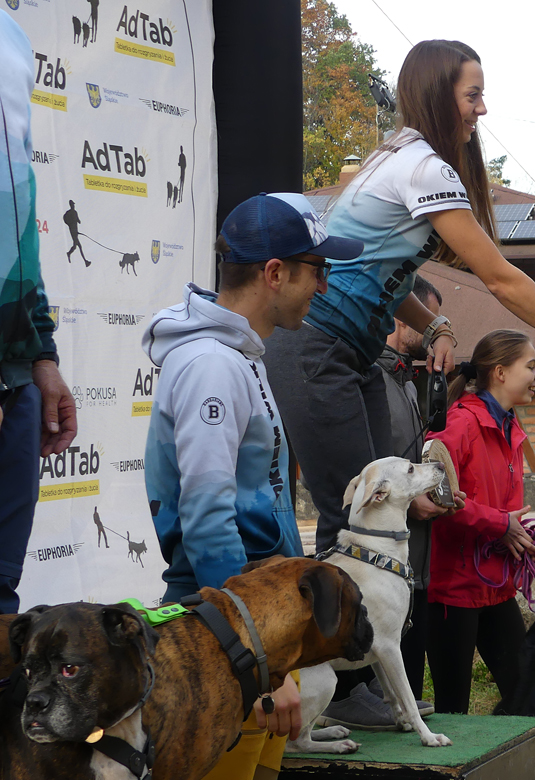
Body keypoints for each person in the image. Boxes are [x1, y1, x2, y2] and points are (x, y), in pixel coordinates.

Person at [263, 39, 535, 569]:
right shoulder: (422, 167)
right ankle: (349, 625)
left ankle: (383, 622)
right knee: (358, 519)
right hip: (316, 348)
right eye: (473, 95)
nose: (483, 109)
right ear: (437, 94)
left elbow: (381, 279)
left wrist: (435, 327)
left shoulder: (398, 155)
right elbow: (500, 278)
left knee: (387, 509)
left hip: (352, 354)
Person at [142, 192, 363, 779]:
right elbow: (207, 517)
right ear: (274, 273)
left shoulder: (239, 355)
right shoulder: (211, 364)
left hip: (250, 630)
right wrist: (252, 658)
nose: (324, 286)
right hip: (226, 635)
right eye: (318, 270)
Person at [319, 273, 453, 728]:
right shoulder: (367, 373)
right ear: (400, 315)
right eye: (427, 320)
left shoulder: (405, 379)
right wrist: (407, 498)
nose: (433, 333)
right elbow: (368, 464)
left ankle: (385, 694)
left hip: (405, 540)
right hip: (376, 530)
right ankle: (351, 694)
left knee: (392, 631)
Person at [0, 13, 78, 615]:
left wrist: (43, 352)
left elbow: (18, 216)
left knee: (2, 591)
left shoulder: (13, 32)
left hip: (19, 373)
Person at [424, 329, 535, 714]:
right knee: (453, 707)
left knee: (528, 695)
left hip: (497, 585)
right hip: (452, 589)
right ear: (500, 373)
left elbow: (505, 508)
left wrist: (514, 533)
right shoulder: (458, 423)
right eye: (531, 366)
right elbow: (435, 497)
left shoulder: (510, 426)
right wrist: (500, 524)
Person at [63, 200, 90, 267]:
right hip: (73, 231)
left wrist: (77, 221)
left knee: (76, 246)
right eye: (72, 204)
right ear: (71, 205)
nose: (73, 206)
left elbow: (78, 221)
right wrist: (71, 224)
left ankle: (69, 253)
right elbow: (66, 220)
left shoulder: (74, 212)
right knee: (79, 246)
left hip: (75, 231)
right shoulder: (69, 212)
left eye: (73, 204)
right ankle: (85, 261)